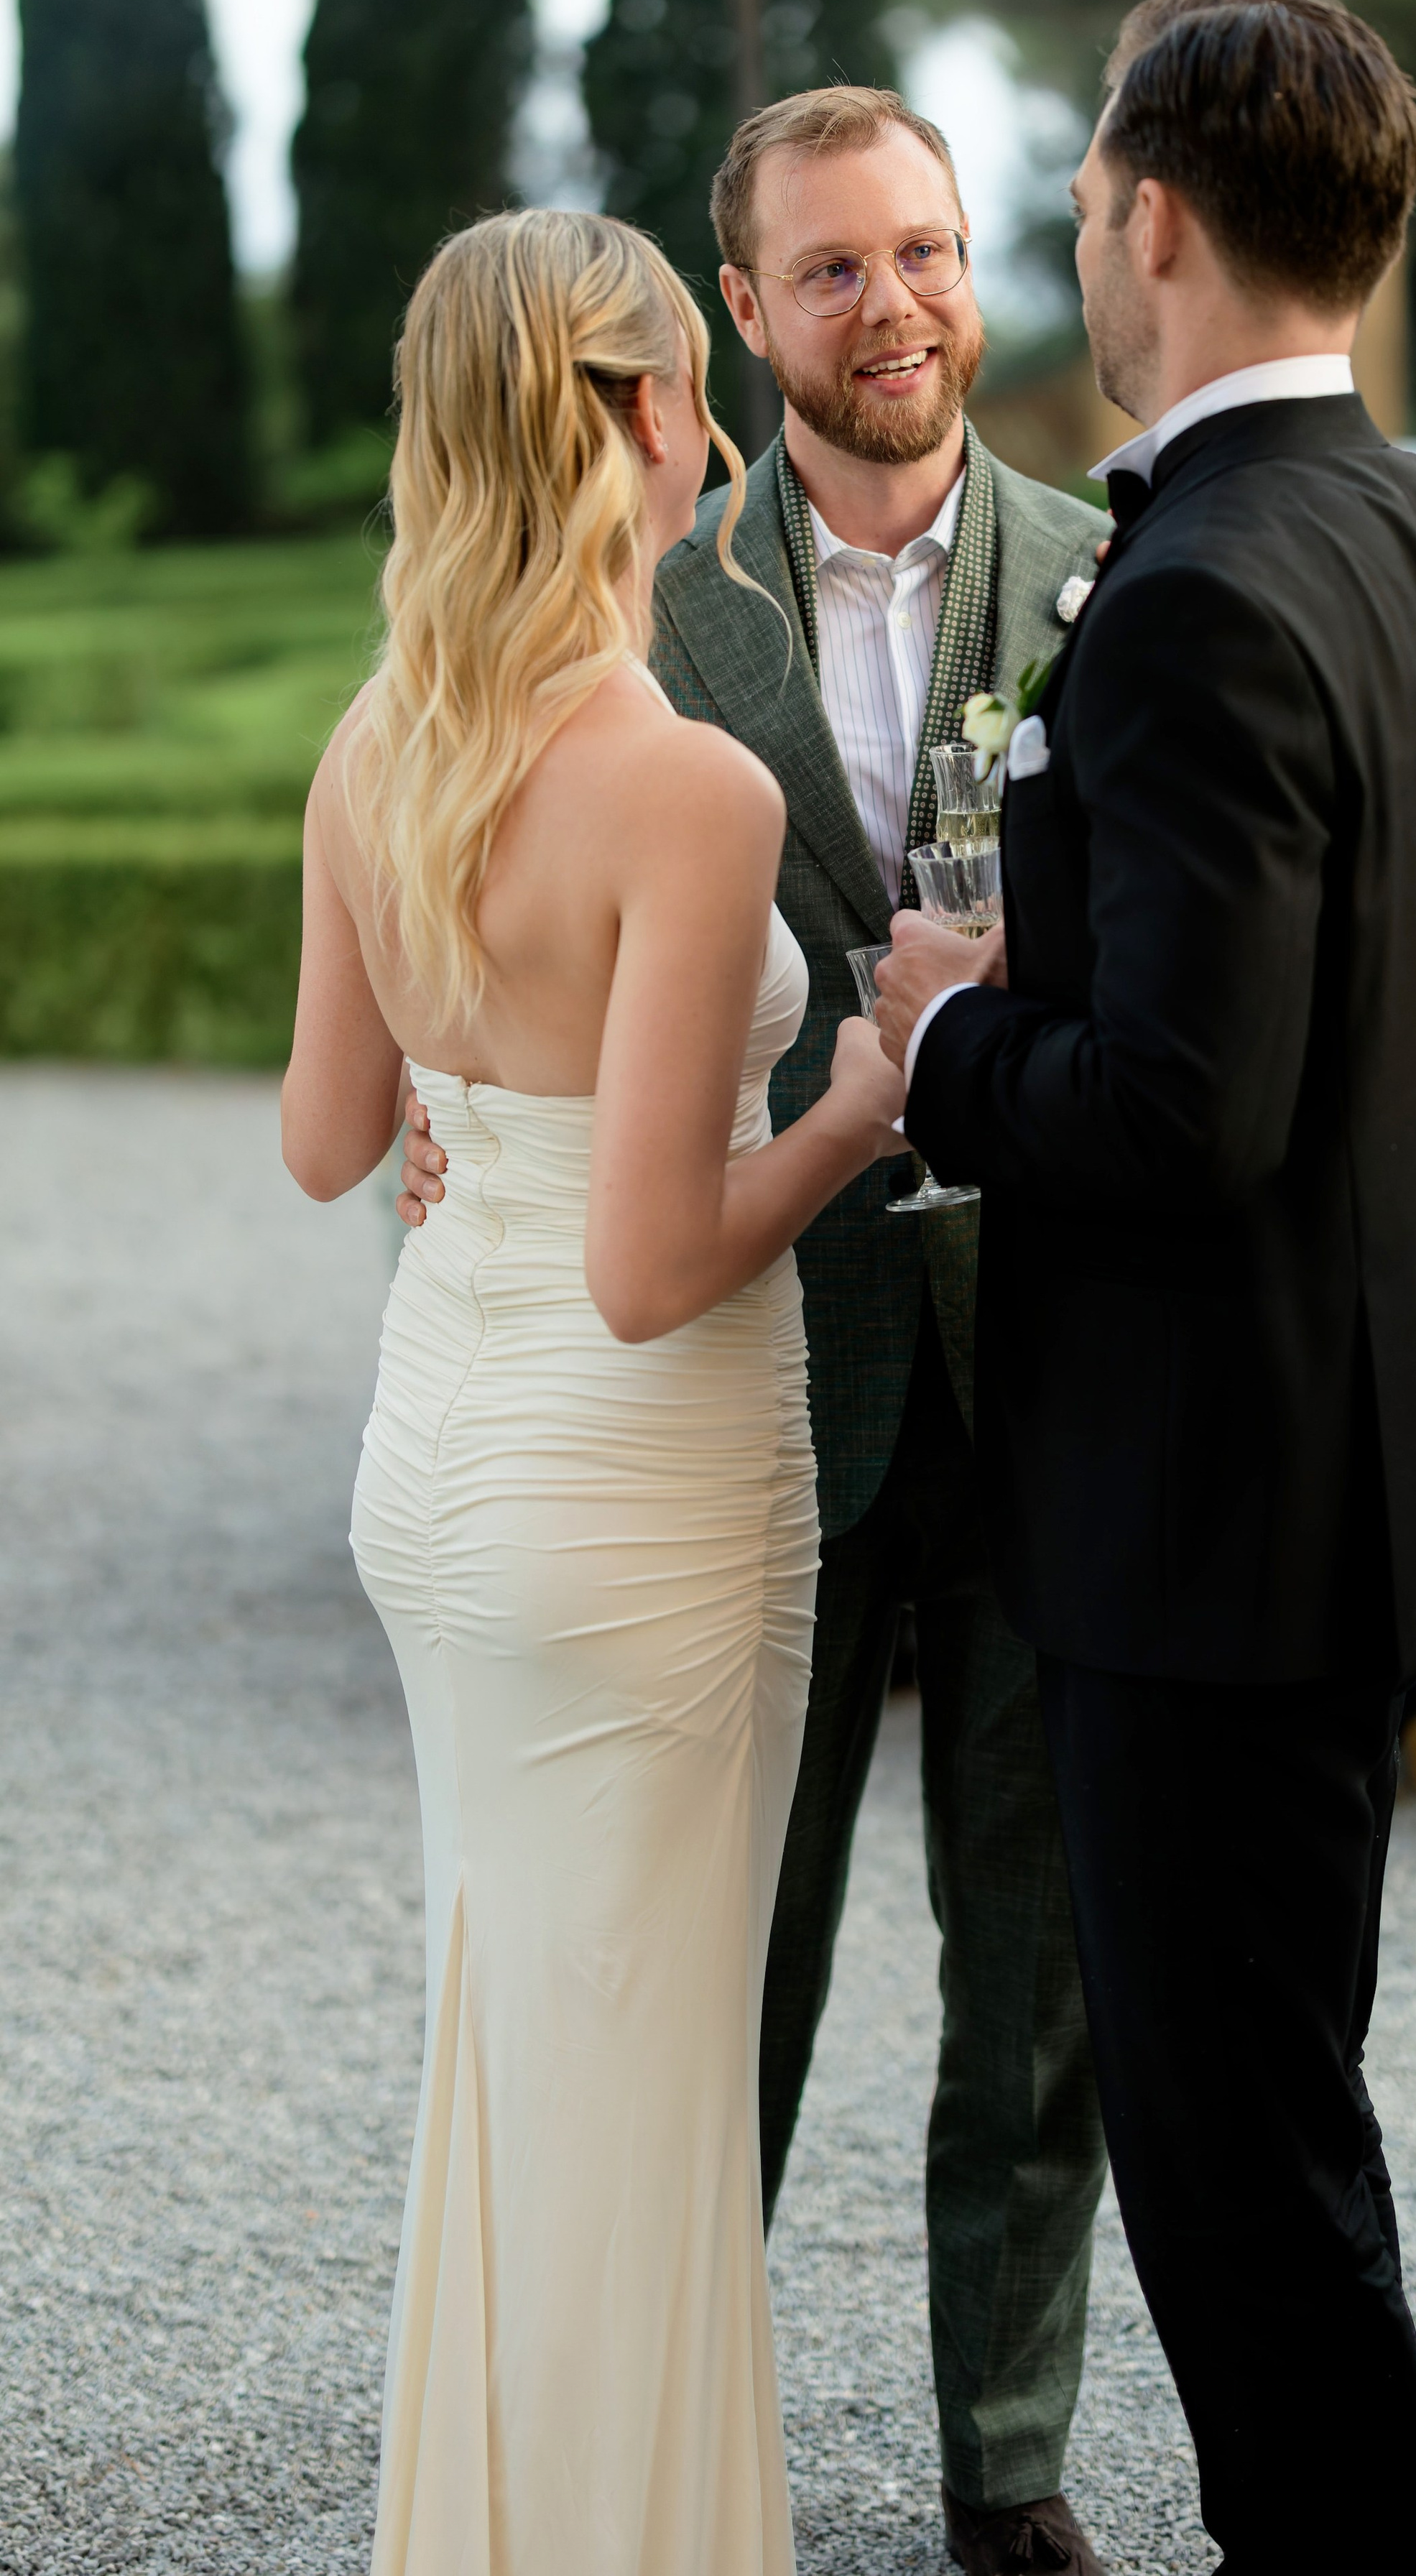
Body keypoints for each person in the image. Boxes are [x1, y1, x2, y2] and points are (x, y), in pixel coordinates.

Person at [397, 87, 1114, 2575]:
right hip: (743, 1374)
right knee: (732, 1950)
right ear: (741, 308)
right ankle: (673, 2441)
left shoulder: (1117, 577)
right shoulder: (642, 603)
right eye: (833, 269)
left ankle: (1007, 2462)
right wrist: (428, 1089)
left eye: (926, 250)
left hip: (1049, 1361)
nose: (897, 302)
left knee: (1034, 1971)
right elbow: (474, 858)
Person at [876, 0, 1416, 2570]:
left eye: (1071, 208)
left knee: (1245, 2203)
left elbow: (1185, 1111)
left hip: (1201, 1525)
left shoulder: (1182, 596)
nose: (1078, 242)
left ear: (1150, 217)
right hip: (1385, 1476)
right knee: (1289, 2132)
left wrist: (951, 1044)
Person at [282, 209, 904, 2573]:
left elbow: (332, 1137)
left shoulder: (385, 737)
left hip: (438, 1471)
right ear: (646, 414)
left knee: (523, 2054)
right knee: (637, 2098)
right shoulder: (689, 794)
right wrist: (856, 1101)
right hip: (635, 1496)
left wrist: (466, 1088)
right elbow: (659, 1263)